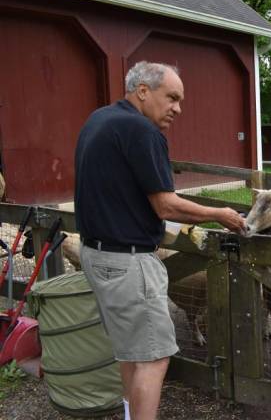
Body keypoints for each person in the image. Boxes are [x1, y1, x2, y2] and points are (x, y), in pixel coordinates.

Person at [74, 61, 245, 420]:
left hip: (97, 254)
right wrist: (219, 214)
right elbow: (165, 204)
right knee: (154, 357)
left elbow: (121, 194)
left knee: (129, 351)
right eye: (172, 98)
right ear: (142, 92)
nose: (177, 109)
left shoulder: (98, 121)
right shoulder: (142, 131)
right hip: (128, 262)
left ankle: (129, 414)